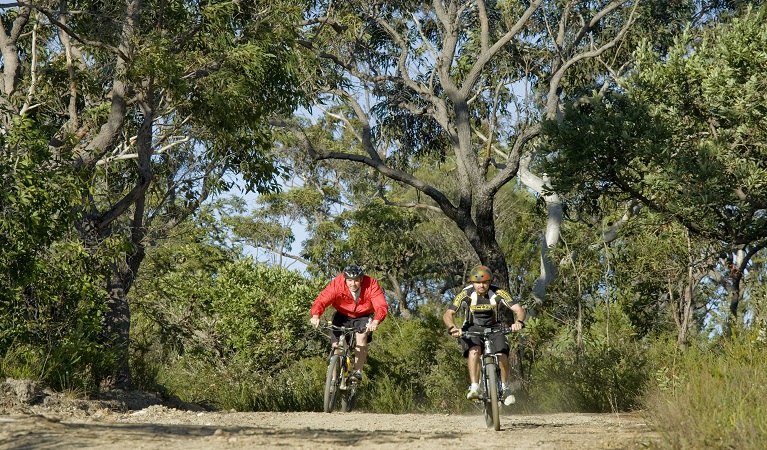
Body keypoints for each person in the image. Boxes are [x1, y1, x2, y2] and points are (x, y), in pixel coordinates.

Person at [443, 265, 526, 405]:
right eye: (477, 282)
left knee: (502, 356)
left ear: (489, 282)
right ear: (472, 283)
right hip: (472, 328)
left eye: (484, 282)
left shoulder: (498, 292)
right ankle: (475, 387)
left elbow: (519, 310)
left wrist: (518, 322)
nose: (481, 285)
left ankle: (505, 388)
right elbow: (448, 314)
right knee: (474, 351)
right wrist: (453, 328)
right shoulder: (466, 293)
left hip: (495, 328)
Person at [310, 265, 388, 380]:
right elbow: (322, 299)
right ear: (345, 279)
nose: (353, 284)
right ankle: (332, 380)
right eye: (350, 280)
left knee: (361, 336)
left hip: (363, 315)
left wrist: (376, 321)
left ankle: (357, 372)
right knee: (335, 345)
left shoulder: (371, 284)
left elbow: (381, 305)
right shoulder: (337, 284)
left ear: (361, 279)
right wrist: (316, 316)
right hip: (342, 314)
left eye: (356, 280)